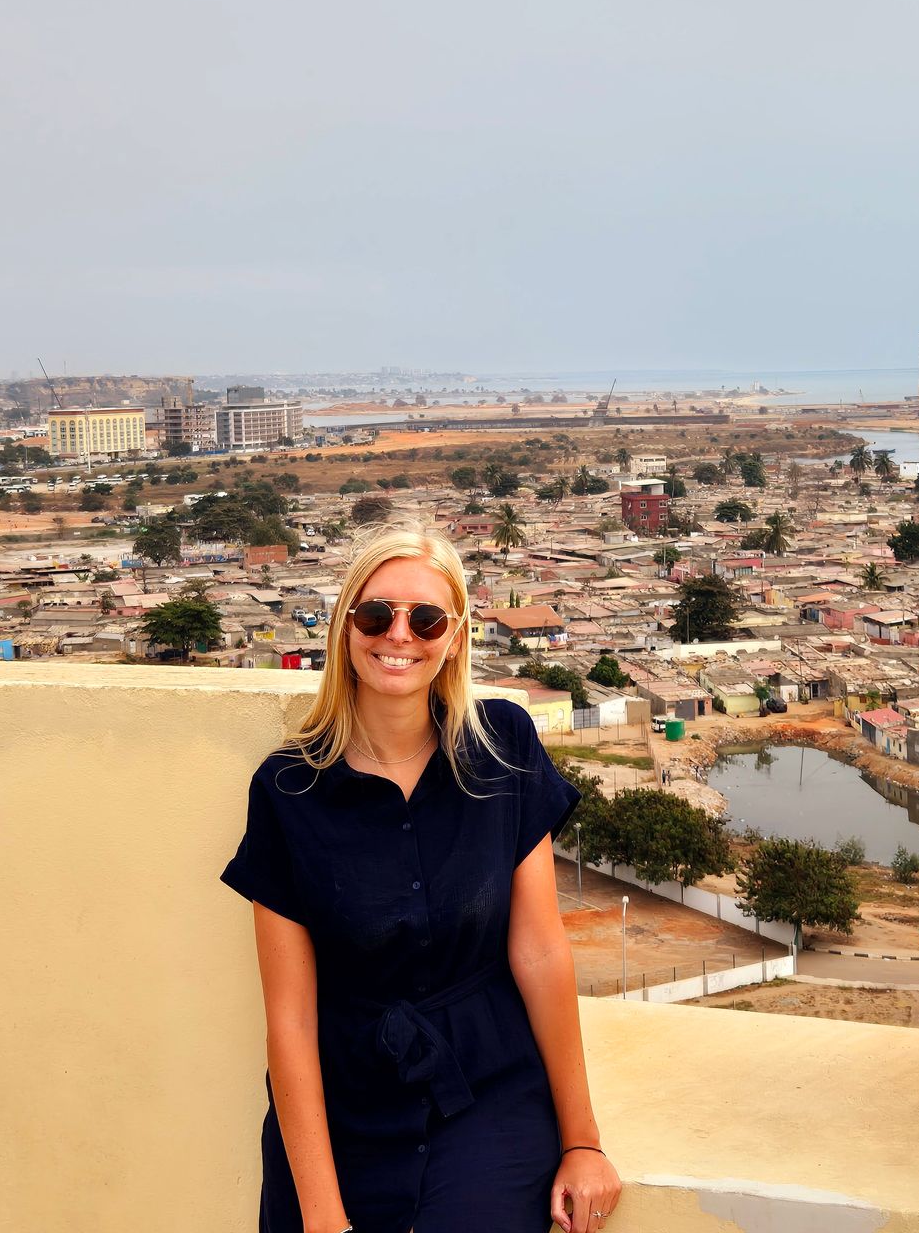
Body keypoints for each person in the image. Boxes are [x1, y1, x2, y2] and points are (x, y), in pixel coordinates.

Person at [222, 521, 622, 1233]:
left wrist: (582, 1141)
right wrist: (323, 1219)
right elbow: (291, 1018)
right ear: (346, 627)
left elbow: (539, 951)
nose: (399, 636)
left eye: (426, 619)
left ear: (456, 637)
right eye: (376, 614)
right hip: (344, 1099)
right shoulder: (288, 789)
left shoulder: (502, 746)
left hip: (485, 1086)